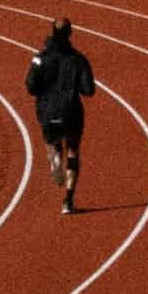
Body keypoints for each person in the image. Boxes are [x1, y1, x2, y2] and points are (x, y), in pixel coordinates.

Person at [26, 17, 95, 215]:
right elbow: (88, 90)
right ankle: (68, 201)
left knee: (53, 142)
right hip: (71, 111)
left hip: (47, 111)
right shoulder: (79, 59)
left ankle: (55, 157)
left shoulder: (39, 57)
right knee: (73, 151)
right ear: (70, 34)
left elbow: (30, 86)